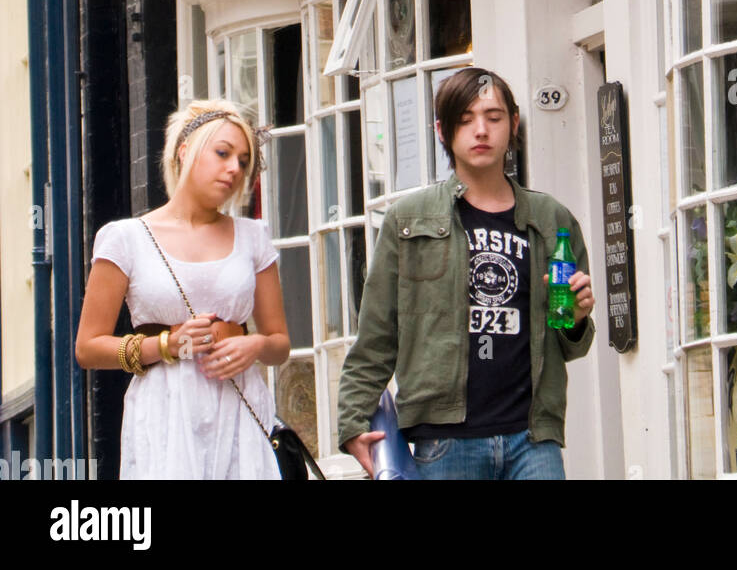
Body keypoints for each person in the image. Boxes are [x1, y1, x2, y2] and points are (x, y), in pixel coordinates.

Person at [338, 67, 595, 480]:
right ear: (443, 130)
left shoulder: (551, 219)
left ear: (513, 125)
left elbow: (569, 342)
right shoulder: (408, 219)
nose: (481, 130)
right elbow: (376, 333)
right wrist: (352, 422)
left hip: (532, 438)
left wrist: (577, 319)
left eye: (493, 118)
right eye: (466, 119)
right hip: (444, 440)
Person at [76, 99, 290, 479]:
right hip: (165, 410)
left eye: (243, 161)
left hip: (239, 405)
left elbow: (279, 343)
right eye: (223, 153)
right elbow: (88, 348)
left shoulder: (253, 237)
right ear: (185, 150)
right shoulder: (125, 238)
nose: (234, 169)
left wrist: (254, 345)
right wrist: (166, 345)